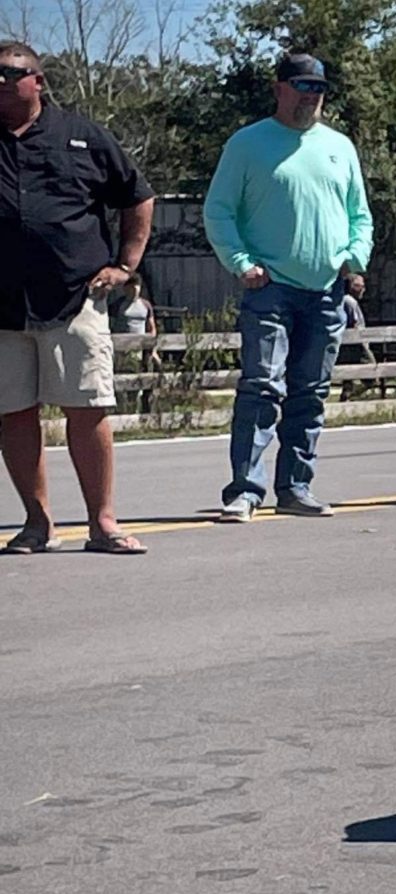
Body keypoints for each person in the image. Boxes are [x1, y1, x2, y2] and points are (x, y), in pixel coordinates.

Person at [202, 53, 372, 523]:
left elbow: (360, 214)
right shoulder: (248, 144)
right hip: (270, 288)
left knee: (311, 392)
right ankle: (245, 491)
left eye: (317, 88)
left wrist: (354, 259)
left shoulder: (340, 146)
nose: (310, 96)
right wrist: (241, 263)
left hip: (325, 292)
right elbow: (218, 211)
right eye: (300, 86)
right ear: (279, 89)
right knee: (261, 387)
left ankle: (296, 486)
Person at [1, 39, 154, 556]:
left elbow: (139, 196)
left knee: (86, 408)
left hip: (74, 295)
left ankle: (102, 523)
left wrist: (125, 265)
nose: (0, 82)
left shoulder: (81, 136)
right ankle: (36, 522)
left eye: (9, 73)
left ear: (37, 80)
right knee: (15, 413)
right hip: (3, 305)